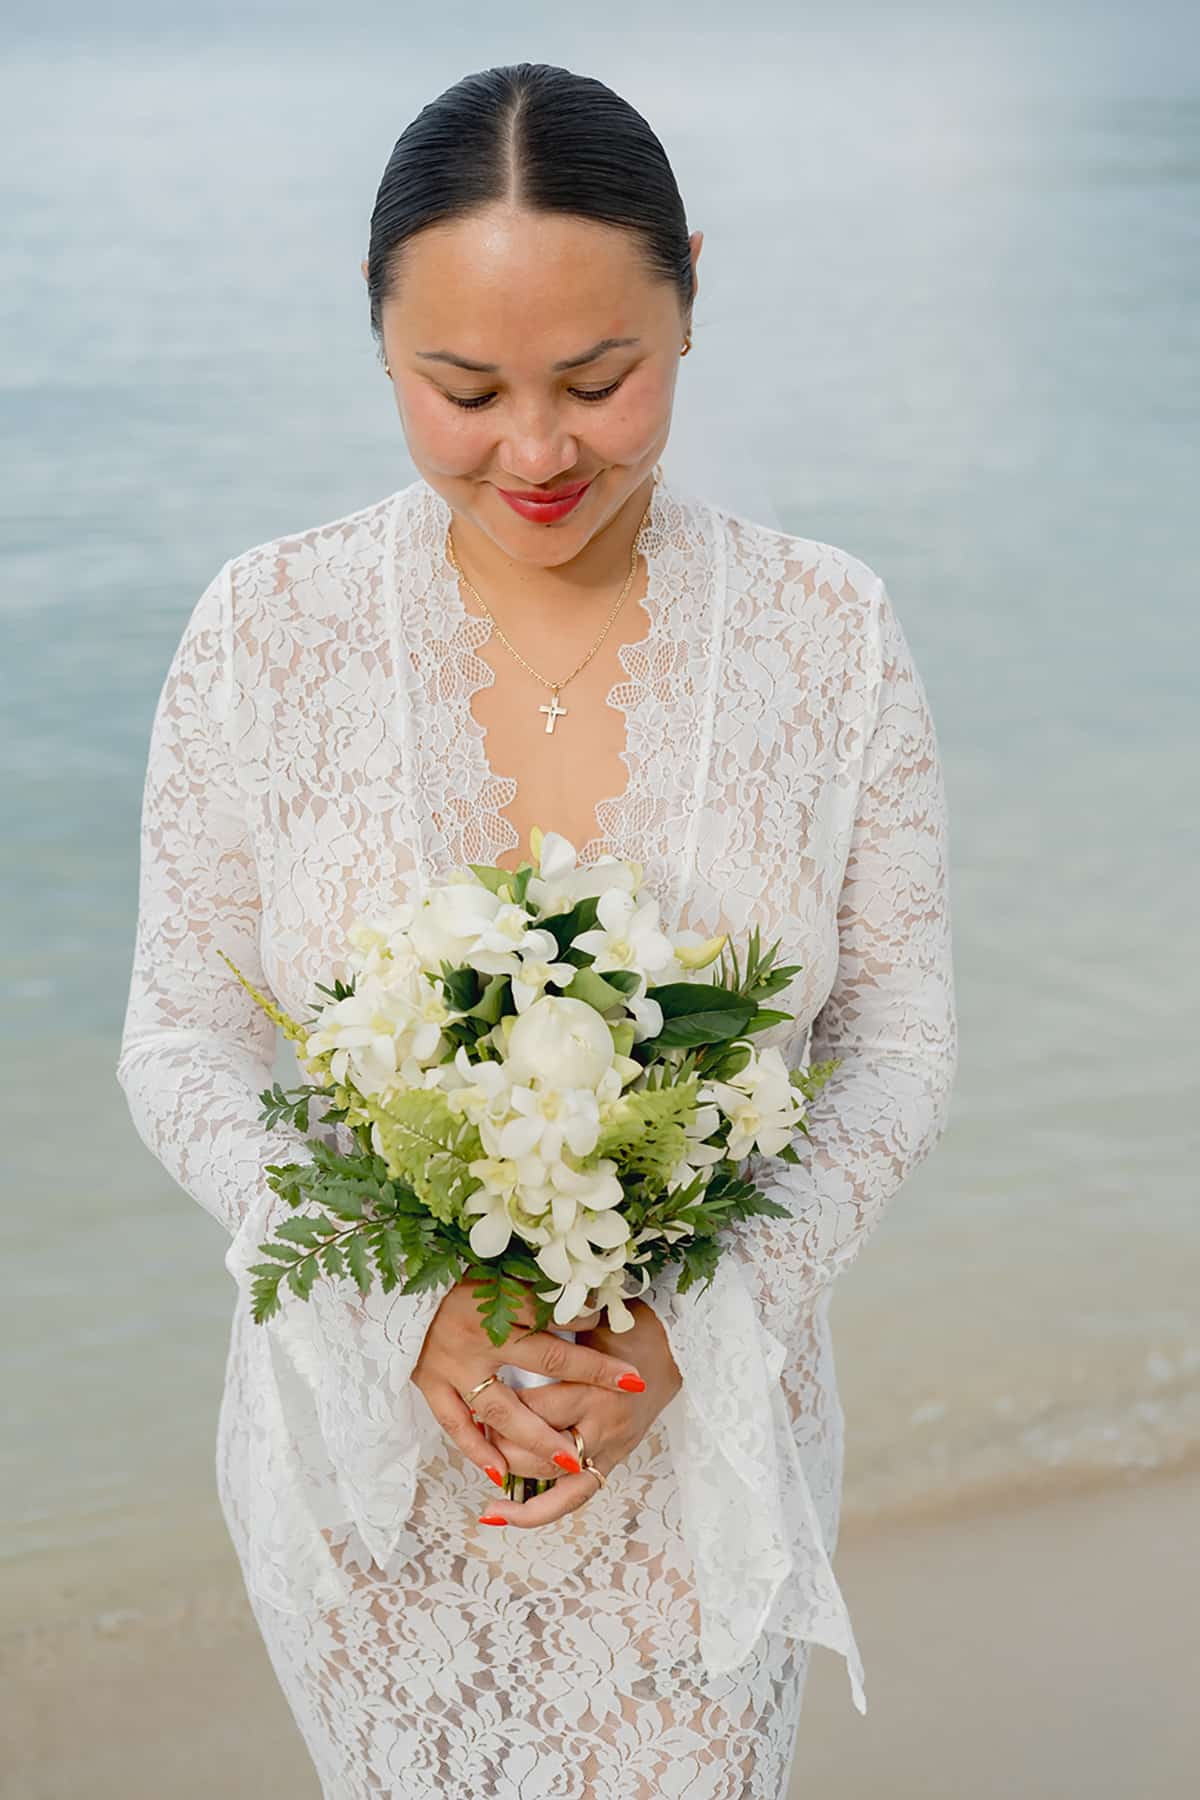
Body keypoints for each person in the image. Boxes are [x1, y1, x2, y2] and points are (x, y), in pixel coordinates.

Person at [115, 60, 958, 1800]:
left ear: (692, 295)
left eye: (598, 378)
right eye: (462, 386)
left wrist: (697, 1330)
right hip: (372, 1468)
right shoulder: (263, 633)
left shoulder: (829, 634)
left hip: (698, 1454)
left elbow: (898, 1042)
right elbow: (181, 1036)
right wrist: (397, 1308)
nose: (539, 449)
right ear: (378, 336)